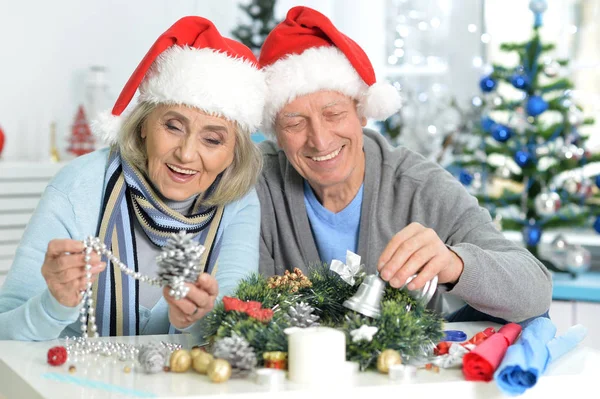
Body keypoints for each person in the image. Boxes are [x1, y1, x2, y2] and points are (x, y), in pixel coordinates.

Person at [255, 6, 552, 324]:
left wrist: (454, 264)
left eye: (334, 114)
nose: (320, 140)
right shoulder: (256, 185)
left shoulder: (420, 186)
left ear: (362, 111)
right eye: (295, 123)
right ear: (276, 132)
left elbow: (534, 291)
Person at [0, 16, 266, 340]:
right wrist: (52, 306)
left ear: (234, 153)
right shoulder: (78, 185)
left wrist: (195, 321)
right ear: (142, 124)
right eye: (172, 126)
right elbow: (4, 336)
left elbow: (234, 331)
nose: (186, 154)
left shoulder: (240, 204)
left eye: (212, 140)